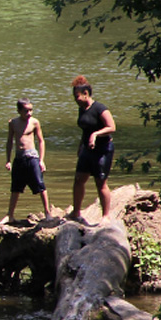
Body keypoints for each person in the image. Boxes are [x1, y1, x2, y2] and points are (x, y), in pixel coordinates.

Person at [67, 75, 116, 222]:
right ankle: (76, 212)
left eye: (77, 96)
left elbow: (112, 127)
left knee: (100, 184)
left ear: (86, 94)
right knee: (79, 180)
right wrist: (80, 146)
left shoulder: (100, 108)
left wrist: (96, 134)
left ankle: (106, 216)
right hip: (87, 150)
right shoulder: (82, 109)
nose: (75, 100)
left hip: (103, 150)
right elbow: (85, 129)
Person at [4, 97, 53, 223]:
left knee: (40, 184)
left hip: (32, 157)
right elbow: (9, 141)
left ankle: (48, 212)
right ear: (19, 110)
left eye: (31, 110)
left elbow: (41, 141)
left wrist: (41, 160)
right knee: (15, 188)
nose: (29, 113)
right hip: (19, 158)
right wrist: (8, 160)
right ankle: (10, 215)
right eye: (26, 111)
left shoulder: (34, 122)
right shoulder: (13, 123)